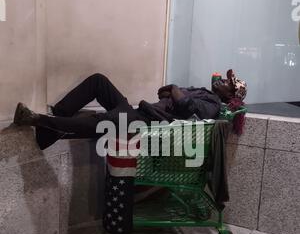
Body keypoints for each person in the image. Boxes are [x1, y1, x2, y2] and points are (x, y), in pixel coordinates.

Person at [13, 73, 223, 150]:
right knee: (98, 81)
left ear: (231, 95)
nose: (221, 80)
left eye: (228, 83)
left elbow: (187, 109)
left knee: (104, 121)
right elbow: (166, 95)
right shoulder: (203, 91)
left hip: (149, 124)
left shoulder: (214, 103)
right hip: (140, 111)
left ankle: (38, 120)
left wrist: (175, 89)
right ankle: (59, 116)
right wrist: (170, 93)